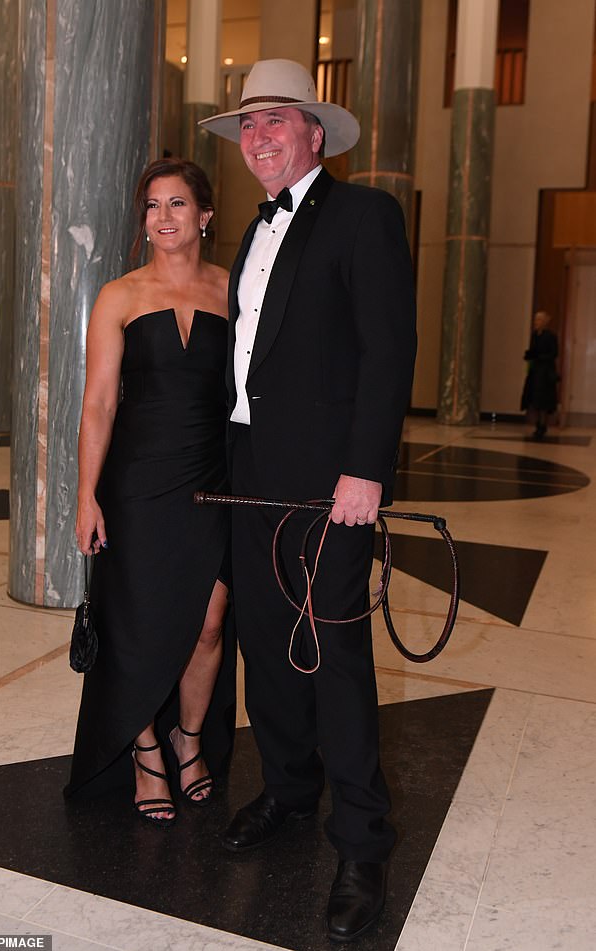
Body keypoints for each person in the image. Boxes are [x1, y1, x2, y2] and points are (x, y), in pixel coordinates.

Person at [199, 59, 417, 940]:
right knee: (264, 641)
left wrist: (365, 471)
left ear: (315, 134)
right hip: (251, 474)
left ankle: (363, 839)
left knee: (334, 654)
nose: (259, 137)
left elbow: (387, 350)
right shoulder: (253, 231)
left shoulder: (363, 215)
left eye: (276, 120)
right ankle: (289, 789)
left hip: (331, 485)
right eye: (248, 125)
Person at [65, 158, 234, 825]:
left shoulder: (233, 291)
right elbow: (100, 403)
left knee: (210, 622)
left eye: (178, 204)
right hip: (135, 482)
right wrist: (86, 495)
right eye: (153, 206)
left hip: (214, 479)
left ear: (205, 216)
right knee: (133, 627)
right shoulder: (120, 295)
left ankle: (189, 739)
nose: (163, 218)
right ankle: (144, 750)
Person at [521, 310, 558, 439]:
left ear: (545, 322)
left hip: (545, 373)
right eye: (535, 319)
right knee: (533, 400)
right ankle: (537, 425)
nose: (536, 322)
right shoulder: (534, 335)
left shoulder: (551, 336)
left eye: (539, 320)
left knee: (543, 401)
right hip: (535, 371)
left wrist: (540, 357)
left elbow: (554, 354)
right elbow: (533, 351)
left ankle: (543, 426)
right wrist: (529, 355)